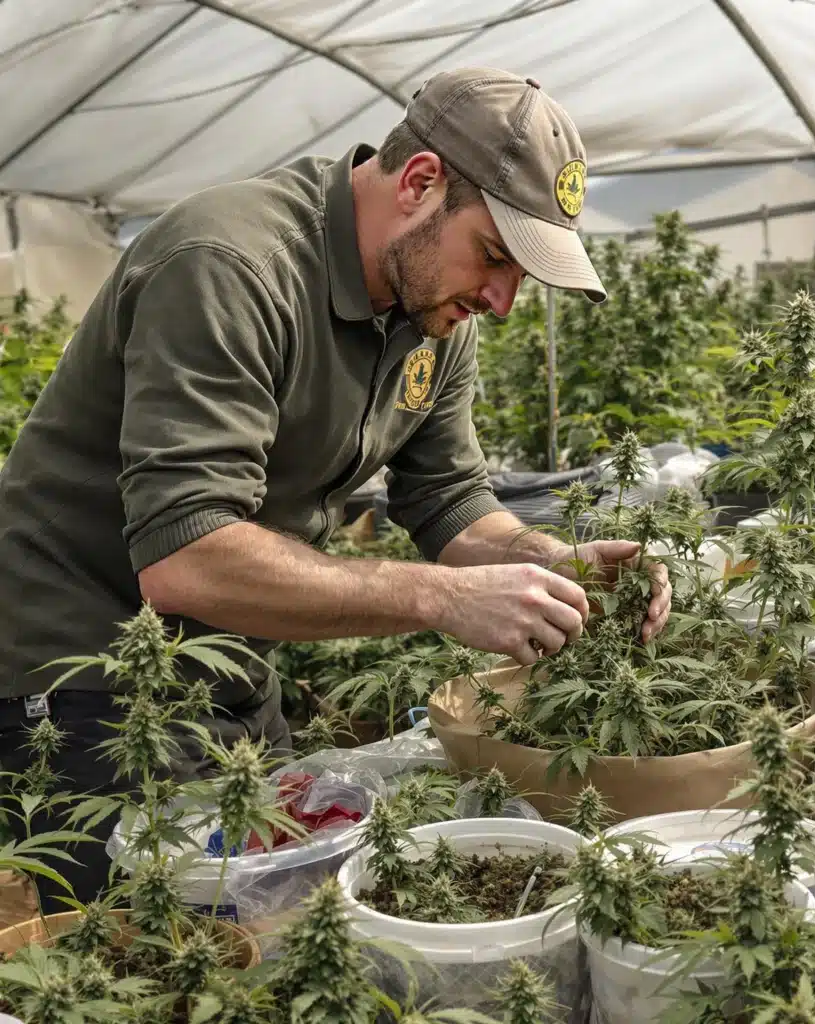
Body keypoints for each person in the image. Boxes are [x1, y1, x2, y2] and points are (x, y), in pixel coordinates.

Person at [0, 67, 671, 909]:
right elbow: (187, 556)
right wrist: (442, 598)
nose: (502, 300)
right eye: (495, 256)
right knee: (146, 942)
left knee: (273, 912)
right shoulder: (230, 266)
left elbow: (449, 499)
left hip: (236, 654)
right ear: (419, 183)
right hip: (84, 669)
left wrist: (551, 561)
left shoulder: (434, 313)